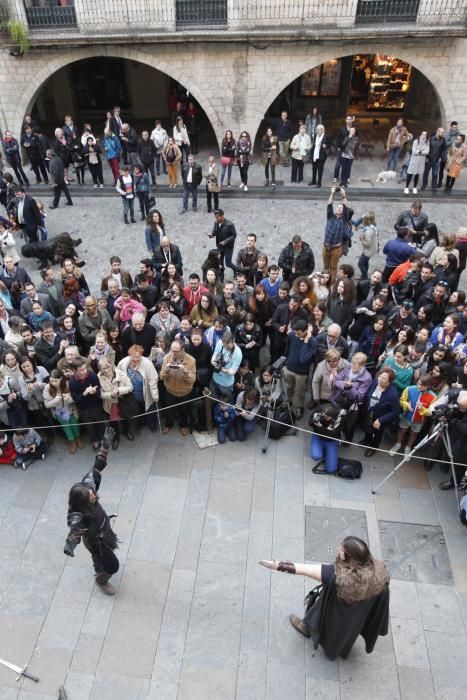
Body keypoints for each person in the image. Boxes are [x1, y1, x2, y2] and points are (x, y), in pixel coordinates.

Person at [258, 536, 390, 660]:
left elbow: (305, 569)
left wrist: (278, 566)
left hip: (337, 614)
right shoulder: (379, 573)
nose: (339, 550)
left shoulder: (336, 576)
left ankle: (307, 628)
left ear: (350, 556)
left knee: (329, 625)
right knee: (349, 631)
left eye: (342, 549)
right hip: (360, 615)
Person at [64, 428, 119, 595]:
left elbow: (97, 466)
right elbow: (75, 530)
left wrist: (105, 446)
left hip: (105, 530)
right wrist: (70, 544)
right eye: (90, 496)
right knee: (108, 564)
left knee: (109, 549)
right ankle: (102, 579)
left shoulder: (87, 485)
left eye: (92, 492)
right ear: (82, 502)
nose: (94, 494)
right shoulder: (78, 515)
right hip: (96, 541)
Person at [117, 344, 159, 432]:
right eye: (133, 357)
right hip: (131, 394)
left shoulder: (147, 364)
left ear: (141, 355)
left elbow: (153, 378)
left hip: (145, 392)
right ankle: (140, 423)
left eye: (138, 357)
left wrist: (154, 393)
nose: (135, 359)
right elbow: (118, 376)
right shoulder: (123, 363)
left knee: (149, 409)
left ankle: (152, 424)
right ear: (129, 355)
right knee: (138, 410)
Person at [360, 368, 400, 457]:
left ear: (389, 382)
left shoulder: (392, 395)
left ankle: (374, 447)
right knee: (367, 426)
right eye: (380, 376)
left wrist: (381, 420)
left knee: (378, 433)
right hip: (369, 411)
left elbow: (395, 411)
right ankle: (367, 440)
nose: (380, 379)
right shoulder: (374, 382)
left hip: (380, 417)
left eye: (383, 378)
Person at [159, 338, 196, 435]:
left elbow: (192, 380)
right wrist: (166, 370)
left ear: (182, 349)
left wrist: (186, 372)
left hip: (184, 392)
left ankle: (183, 425)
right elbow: (162, 377)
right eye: (172, 350)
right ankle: (168, 424)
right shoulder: (166, 357)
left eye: (176, 351)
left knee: (184, 410)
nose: (173, 353)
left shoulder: (191, 360)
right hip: (170, 391)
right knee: (168, 410)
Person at [283, 319, 316, 420]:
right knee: (289, 387)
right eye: (295, 332)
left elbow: (304, 359)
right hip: (289, 368)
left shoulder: (313, 342)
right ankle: (288, 401)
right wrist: (285, 363)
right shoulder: (292, 335)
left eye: (299, 333)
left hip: (301, 373)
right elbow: (287, 349)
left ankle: (299, 407)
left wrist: (305, 342)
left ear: (306, 331)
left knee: (300, 392)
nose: (296, 335)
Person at [322, 187, 351, 284]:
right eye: (338, 207)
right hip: (326, 247)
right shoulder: (331, 216)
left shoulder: (344, 220)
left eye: (341, 208)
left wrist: (343, 196)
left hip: (336, 249)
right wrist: (332, 194)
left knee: (333, 267)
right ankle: (325, 282)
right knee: (326, 266)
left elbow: (346, 207)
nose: (339, 208)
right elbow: (329, 204)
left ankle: (332, 284)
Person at [211, 331, 242, 401]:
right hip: (215, 378)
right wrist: (213, 361)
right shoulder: (220, 343)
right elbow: (214, 355)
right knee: (219, 397)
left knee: (228, 401)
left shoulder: (238, 353)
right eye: (224, 345)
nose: (225, 347)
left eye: (227, 345)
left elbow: (233, 372)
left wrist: (221, 368)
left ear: (233, 341)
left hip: (226, 383)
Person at [208, 209, 237, 282]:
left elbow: (234, 235)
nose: (216, 219)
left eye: (217, 217)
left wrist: (225, 241)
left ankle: (235, 270)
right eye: (215, 217)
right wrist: (212, 235)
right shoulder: (216, 222)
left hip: (228, 248)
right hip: (219, 246)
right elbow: (214, 231)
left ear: (222, 216)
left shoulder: (230, 224)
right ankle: (221, 276)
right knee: (220, 263)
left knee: (228, 263)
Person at [332, 115, 357, 184]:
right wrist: (338, 147)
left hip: (350, 150)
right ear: (345, 120)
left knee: (348, 165)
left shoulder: (353, 128)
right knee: (338, 164)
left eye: (350, 119)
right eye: (347, 119)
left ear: (351, 120)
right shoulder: (342, 128)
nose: (349, 120)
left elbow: (355, 136)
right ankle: (335, 177)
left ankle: (347, 177)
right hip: (341, 148)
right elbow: (338, 138)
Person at [421, 127, 446, 192]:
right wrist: (426, 157)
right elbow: (426, 148)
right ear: (437, 131)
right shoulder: (430, 139)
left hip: (437, 160)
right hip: (429, 159)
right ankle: (424, 185)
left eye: (443, 132)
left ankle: (433, 187)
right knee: (426, 173)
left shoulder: (443, 140)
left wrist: (441, 158)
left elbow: (443, 150)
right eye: (441, 132)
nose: (442, 133)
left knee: (435, 174)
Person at [357, 211, 379, 280]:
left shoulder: (368, 232)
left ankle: (365, 277)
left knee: (360, 264)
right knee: (365, 262)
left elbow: (367, 244)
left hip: (368, 251)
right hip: (373, 249)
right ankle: (364, 275)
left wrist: (361, 239)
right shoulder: (373, 226)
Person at [308, 124, 332, 188]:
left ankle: (319, 183)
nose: (319, 131)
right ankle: (313, 181)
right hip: (315, 154)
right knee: (314, 168)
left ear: (323, 130)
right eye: (318, 129)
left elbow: (330, 144)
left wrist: (326, 145)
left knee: (320, 169)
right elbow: (314, 145)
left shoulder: (326, 136)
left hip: (322, 155)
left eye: (320, 129)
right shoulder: (316, 136)